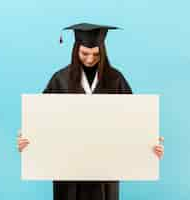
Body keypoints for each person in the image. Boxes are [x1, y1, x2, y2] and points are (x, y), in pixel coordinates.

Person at [17, 23, 164, 200]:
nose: (89, 59)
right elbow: (40, 119)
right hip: (67, 169)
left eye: (96, 54)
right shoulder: (60, 79)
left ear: (103, 52)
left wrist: (149, 144)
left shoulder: (115, 79)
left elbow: (134, 121)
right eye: (84, 53)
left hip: (105, 170)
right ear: (75, 50)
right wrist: (26, 138)